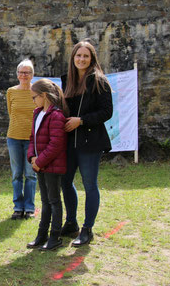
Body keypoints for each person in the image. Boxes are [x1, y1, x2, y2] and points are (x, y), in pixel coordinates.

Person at [61, 40, 113, 247]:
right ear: (73, 58)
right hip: (68, 142)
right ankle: (71, 222)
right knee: (65, 181)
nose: (81, 59)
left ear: (91, 59)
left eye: (85, 56)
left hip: (90, 141)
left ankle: (87, 229)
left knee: (90, 185)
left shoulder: (100, 81)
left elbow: (106, 112)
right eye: (78, 56)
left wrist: (81, 121)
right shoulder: (67, 80)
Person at [26, 79, 68, 250]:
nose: (33, 101)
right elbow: (32, 139)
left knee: (54, 200)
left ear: (44, 96)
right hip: (40, 166)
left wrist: (40, 161)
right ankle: (42, 235)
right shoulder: (37, 113)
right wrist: (32, 158)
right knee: (45, 201)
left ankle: (55, 236)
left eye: (34, 97)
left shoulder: (57, 116)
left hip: (51, 166)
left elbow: (56, 144)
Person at [6, 59, 37, 220]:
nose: (24, 75)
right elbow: (11, 113)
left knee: (31, 174)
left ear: (32, 75)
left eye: (27, 72)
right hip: (14, 138)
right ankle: (18, 207)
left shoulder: (37, 91)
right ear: (17, 74)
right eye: (21, 72)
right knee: (17, 174)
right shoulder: (11, 91)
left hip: (33, 139)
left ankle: (30, 207)